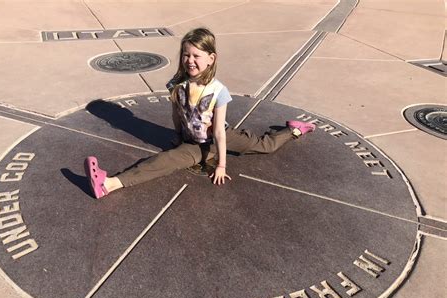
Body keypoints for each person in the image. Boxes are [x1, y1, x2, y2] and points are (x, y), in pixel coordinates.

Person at [84, 27, 315, 199]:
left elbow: (219, 133)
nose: (190, 61)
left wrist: (221, 165)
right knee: (167, 160)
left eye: (196, 56)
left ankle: (294, 130)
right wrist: (178, 136)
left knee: (266, 146)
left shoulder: (218, 91)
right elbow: (177, 112)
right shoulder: (176, 83)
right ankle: (109, 183)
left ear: (210, 59)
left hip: (214, 140)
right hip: (191, 140)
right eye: (186, 55)